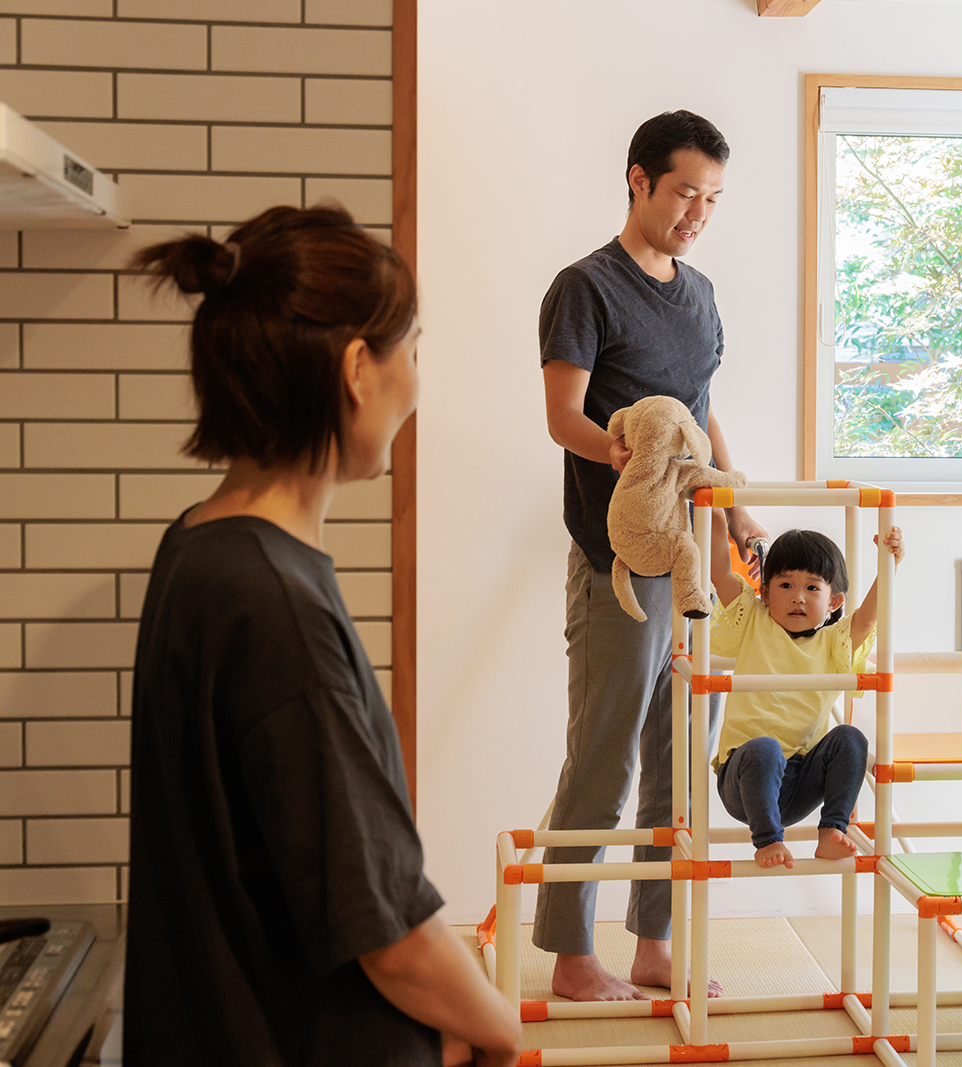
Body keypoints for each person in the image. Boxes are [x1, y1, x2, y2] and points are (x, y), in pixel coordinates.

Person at [124, 206, 521, 1067]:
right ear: (357, 369)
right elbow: (391, 933)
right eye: (413, 351)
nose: (416, 383)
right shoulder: (274, 604)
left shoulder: (198, 548)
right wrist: (502, 1029)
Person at [537, 110, 767, 1002]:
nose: (697, 213)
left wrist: (737, 513)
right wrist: (623, 451)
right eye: (684, 193)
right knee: (604, 754)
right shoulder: (585, 288)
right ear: (638, 180)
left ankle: (654, 946)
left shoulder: (700, 293)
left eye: (712, 199)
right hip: (618, 565)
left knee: (681, 760)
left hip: (693, 568)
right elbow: (564, 416)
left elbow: (703, 414)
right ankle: (570, 955)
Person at [706, 515, 905, 870]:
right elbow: (720, 574)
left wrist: (889, 564)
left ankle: (832, 830)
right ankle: (767, 839)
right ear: (766, 593)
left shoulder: (833, 643)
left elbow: (867, 617)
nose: (798, 597)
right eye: (785, 585)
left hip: (799, 782)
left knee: (851, 738)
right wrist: (718, 514)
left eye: (812, 588)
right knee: (765, 748)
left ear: (833, 602)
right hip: (745, 776)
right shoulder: (753, 620)